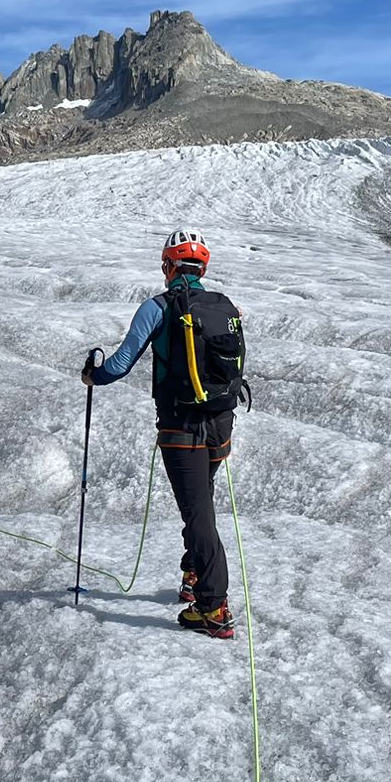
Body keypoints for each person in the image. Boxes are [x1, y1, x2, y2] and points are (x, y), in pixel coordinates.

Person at [83, 230, 251, 638]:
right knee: (201, 503)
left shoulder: (158, 307)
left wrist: (92, 375)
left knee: (198, 514)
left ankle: (214, 606)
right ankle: (193, 578)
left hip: (181, 426)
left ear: (169, 266)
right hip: (220, 423)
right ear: (202, 268)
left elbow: (121, 364)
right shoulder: (223, 306)